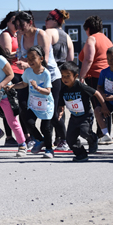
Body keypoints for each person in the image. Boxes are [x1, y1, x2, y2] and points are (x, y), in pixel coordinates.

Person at [15, 11, 61, 152]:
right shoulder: (20, 35)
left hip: (50, 77)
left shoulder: (41, 35)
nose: (19, 28)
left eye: (21, 25)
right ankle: (40, 139)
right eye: (16, 25)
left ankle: (61, 139)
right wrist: (18, 60)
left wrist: (27, 64)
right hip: (32, 79)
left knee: (52, 114)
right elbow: (21, 54)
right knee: (26, 111)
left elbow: (45, 61)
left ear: (30, 22)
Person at [58, 61, 109, 162]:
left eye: (68, 76)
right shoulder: (63, 88)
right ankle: (81, 154)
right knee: (70, 139)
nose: (65, 78)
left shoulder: (80, 86)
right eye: (63, 76)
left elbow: (97, 93)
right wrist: (61, 110)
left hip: (86, 115)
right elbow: (61, 102)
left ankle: (93, 139)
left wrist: (104, 106)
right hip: (74, 117)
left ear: (76, 76)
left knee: (85, 132)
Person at [10, 46, 55, 158]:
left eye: (33, 58)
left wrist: (37, 88)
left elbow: (48, 91)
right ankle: (40, 140)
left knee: (45, 128)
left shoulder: (46, 74)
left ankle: (49, 149)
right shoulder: (28, 71)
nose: (30, 61)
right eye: (28, 58)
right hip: (33, 104)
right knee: (28, 121)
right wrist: (12, 86)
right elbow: (24, 84)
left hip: (45, 104)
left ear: (41, 58)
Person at [0, 11, 29, 146]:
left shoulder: (18, 35)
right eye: (14, 21)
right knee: (11, 105)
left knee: (22, 104)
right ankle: (10, 137)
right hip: (10, 72)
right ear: (8, 22)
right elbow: (8, 55)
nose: (17, 24)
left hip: (21, 71)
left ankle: (24, 134)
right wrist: (24, 52)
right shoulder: (6, 35)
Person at [45, 9, 74, 149]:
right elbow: (70, 59)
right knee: (60, 107)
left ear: (56, 20)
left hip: (51, 74)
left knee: (51, 108)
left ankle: (60, 138)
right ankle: (60, 138)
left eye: (49, 18)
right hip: (64, 75)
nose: (46, 20)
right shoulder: (67, 36)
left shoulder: (49, 33)